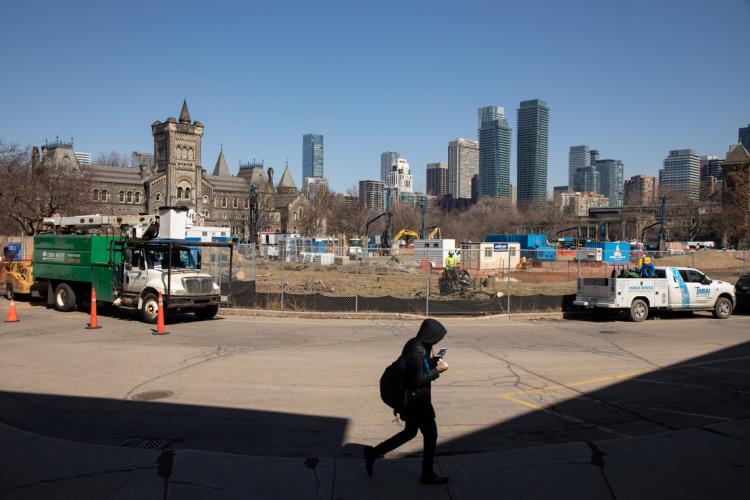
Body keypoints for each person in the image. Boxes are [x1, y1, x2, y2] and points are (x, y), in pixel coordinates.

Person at [364, 318, 450, 485]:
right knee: (431, 435)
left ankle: (373, 453)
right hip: (416, 401)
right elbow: (415, 380)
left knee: (410, 432)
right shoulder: (416, 352)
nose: (438, 340)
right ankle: (427, 473)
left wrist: (432, 362)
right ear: (430, 335)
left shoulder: (417, 344)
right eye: (437, 337)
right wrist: (437, 371)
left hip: (415, 399)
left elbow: (417, 369)